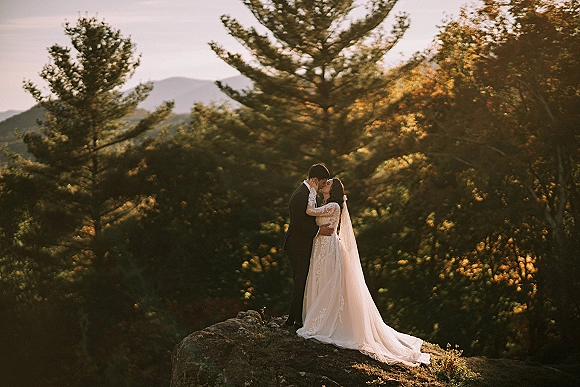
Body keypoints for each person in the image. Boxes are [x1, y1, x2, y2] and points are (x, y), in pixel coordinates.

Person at [296, 177, 431, 366]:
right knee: (320, 278)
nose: (324, 184)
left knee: (328, 281)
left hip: (329, 247)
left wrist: (310, 190)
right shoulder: (326, 203)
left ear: (333, 190)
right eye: (324, 183)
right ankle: (317, 316)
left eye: (328, 184)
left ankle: (326, 321)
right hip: (319, 246)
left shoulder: (334, 205)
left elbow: (310, 211)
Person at [283, 164, 334, 328]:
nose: (322, 185)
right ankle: (293, 320)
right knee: (300, 280)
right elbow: (298, 223)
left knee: (304, 279)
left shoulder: (310, 194)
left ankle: (298, 317)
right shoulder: (300, 195)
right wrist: (319, 230)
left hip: (303, 243)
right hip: (296, 244)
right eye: (322, 182)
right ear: (314, 179)